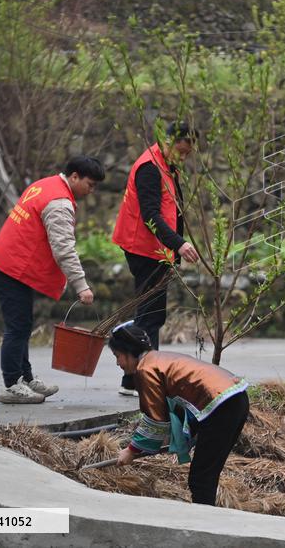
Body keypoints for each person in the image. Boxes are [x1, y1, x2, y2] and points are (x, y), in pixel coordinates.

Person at [0, 155, 106, 404]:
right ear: (74, 176)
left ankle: (26, 378)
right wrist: (81, 285)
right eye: (90, 184)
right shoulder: (59, 202)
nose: (91, 191)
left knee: (23, 325)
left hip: (9, 265)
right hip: (10, 269)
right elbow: (63, 248)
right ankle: (11, 385)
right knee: (17, 327)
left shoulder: (45, 184)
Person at [109, 323, 249, 505]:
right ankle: (208, 520)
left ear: (129, 352)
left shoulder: (145, 369)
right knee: (207, 474)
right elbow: (172, 409)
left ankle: (205, 526)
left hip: (222, 406)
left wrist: (131, 450)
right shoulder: (158, 358)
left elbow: (155, 421)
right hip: (236, 397)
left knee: (201, 478)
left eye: (117, 356)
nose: (117, 363)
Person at [112, 122, 200, 396]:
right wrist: (179, 244)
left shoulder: (165, 163)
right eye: (181, 152)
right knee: (150, 316)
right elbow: (151, 215)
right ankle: (141, 380)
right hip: (144, 249)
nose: (183, 159)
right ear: (167, 142)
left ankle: (136, 379)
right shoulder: (150, 167)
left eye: (187, 155)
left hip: (157, 250)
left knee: (151, 315)